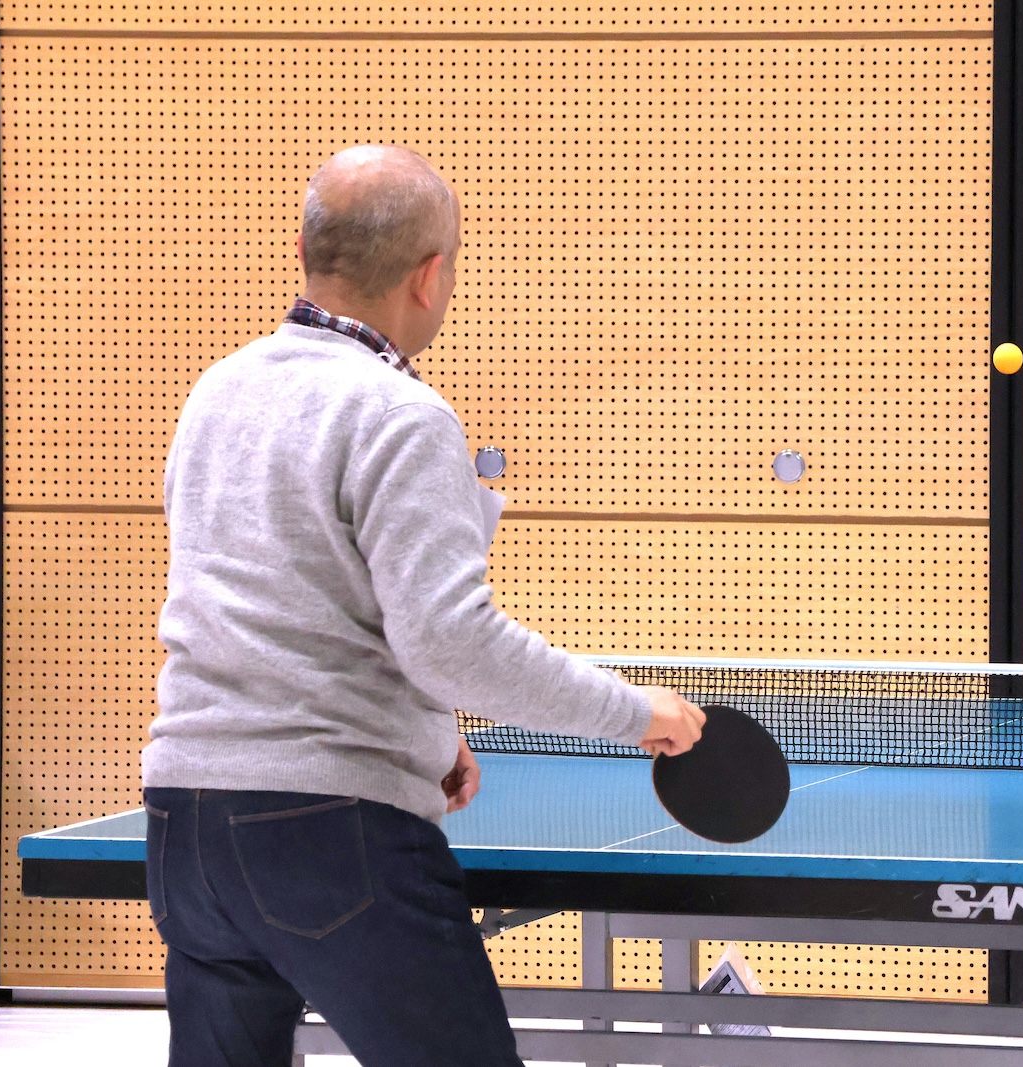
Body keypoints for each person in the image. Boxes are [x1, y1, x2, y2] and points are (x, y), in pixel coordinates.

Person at [140, 144, 707, 1067]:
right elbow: (451, 643)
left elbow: (272, 596)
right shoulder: (400, 412)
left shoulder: (217, 390)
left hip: (185, 829)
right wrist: (637, 709)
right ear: (430, 275)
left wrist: (427, 732)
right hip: (331, 834)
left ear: (303, 250)